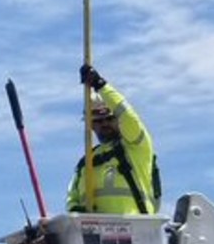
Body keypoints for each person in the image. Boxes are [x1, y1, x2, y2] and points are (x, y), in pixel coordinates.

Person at [66, 64, 159, 214]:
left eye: (109, 118)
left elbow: (127, 115)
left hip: (137, 231)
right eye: (98, 121)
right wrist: (76, 211)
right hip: (95, 235)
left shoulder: (136, 145)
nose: (104, 124)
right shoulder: (86, 162)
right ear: (90, 125)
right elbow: (72, 198)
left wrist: (100, 85)